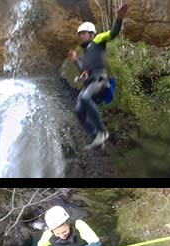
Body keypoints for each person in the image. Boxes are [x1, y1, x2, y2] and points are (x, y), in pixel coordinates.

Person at [68, 4, 129, 149]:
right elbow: (83, 70)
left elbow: (113, 33)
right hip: (89, 83)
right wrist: (76, 59)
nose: (80, 36)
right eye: (79, 34)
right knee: (78, 112)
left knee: (84, 97)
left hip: (100, 80)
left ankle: (102, 132)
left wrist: (119, 18)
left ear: (91, 34)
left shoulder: (98, 40)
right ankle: (96, 135)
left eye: (83, 33)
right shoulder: (86, 52)